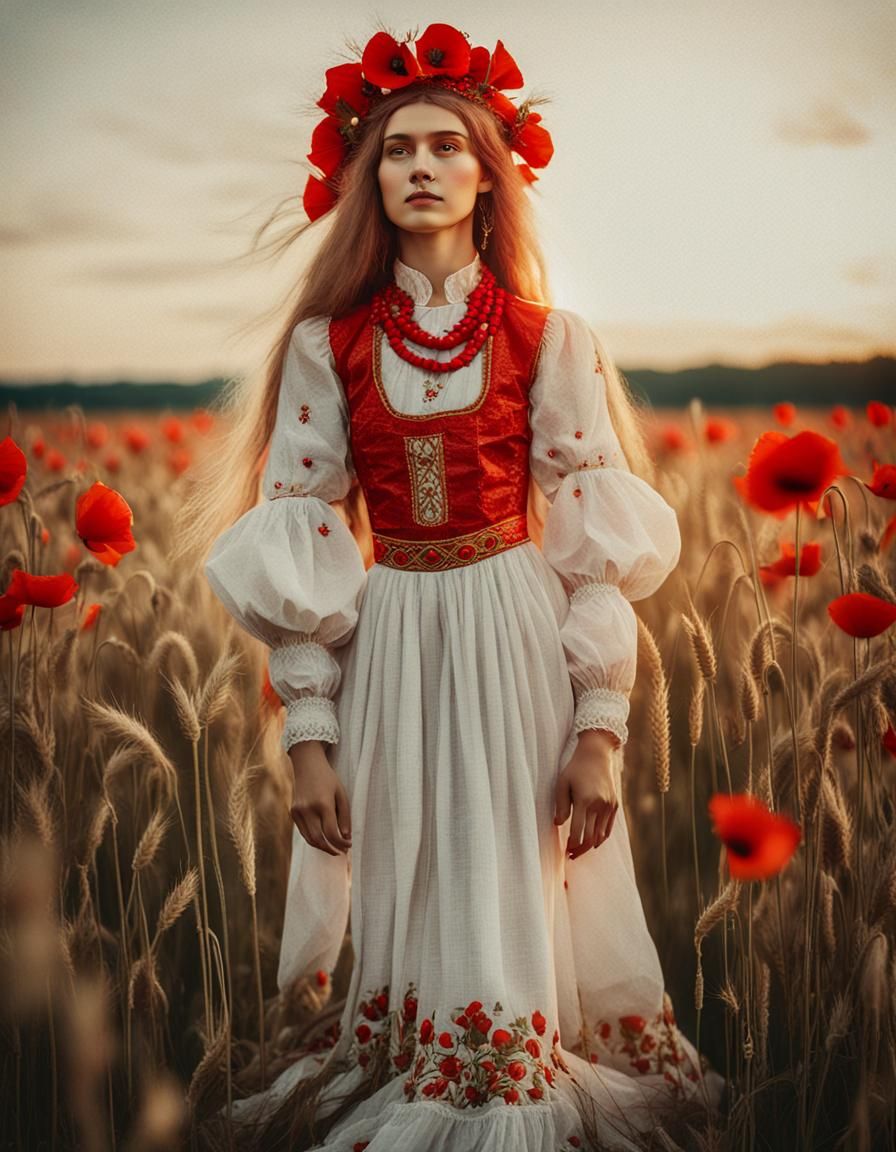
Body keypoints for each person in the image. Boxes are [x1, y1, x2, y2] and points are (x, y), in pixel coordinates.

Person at [196, 22, 725, 1151]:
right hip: (392, 636)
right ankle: (424, 1059)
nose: (421, 166)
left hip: (516, 630)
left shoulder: (549, 339)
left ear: (489, 176)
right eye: (396, 150)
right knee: (412, 868)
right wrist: (308, 738)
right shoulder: (328, 347)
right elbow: (301, 540)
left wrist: (599, 729)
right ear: (369, 179)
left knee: (509, 863)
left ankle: (505, 1079)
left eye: (447, 146)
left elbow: (592, 545)